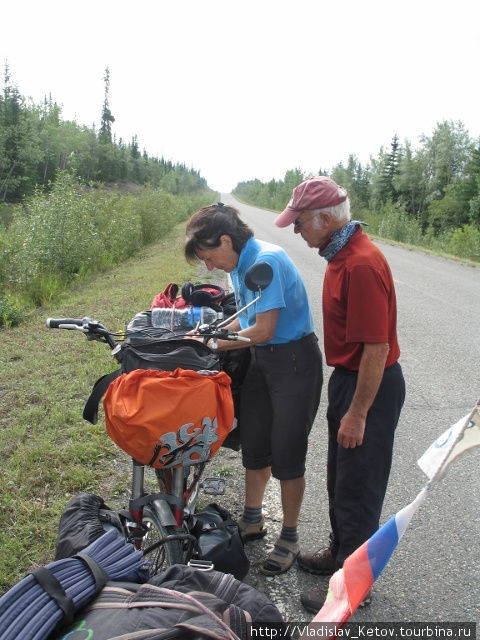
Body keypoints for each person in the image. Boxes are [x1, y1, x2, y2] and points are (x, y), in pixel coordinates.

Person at [274, 177, 406, 612]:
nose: (297, 231)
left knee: (358, 488)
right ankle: (340, 553)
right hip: (350, 379)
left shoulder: (361, 265)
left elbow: (377, 347)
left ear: (327, 219)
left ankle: (352, 590)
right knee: (339, 478)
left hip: (370, 384)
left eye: (301, 223)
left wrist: (358, 413)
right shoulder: (340, 255)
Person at [184, 202, 323, 576]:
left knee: (288, 452)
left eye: (209, 256)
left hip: (293, 362)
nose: (209, 267)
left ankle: (290, 537)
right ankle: (252, 519)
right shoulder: (239, 264)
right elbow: (246, 326)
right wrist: (205, 333)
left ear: (226, 240)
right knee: (255, 443)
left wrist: (212, 343)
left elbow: (264, 329)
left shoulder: (266, 261)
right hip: (261, 360)